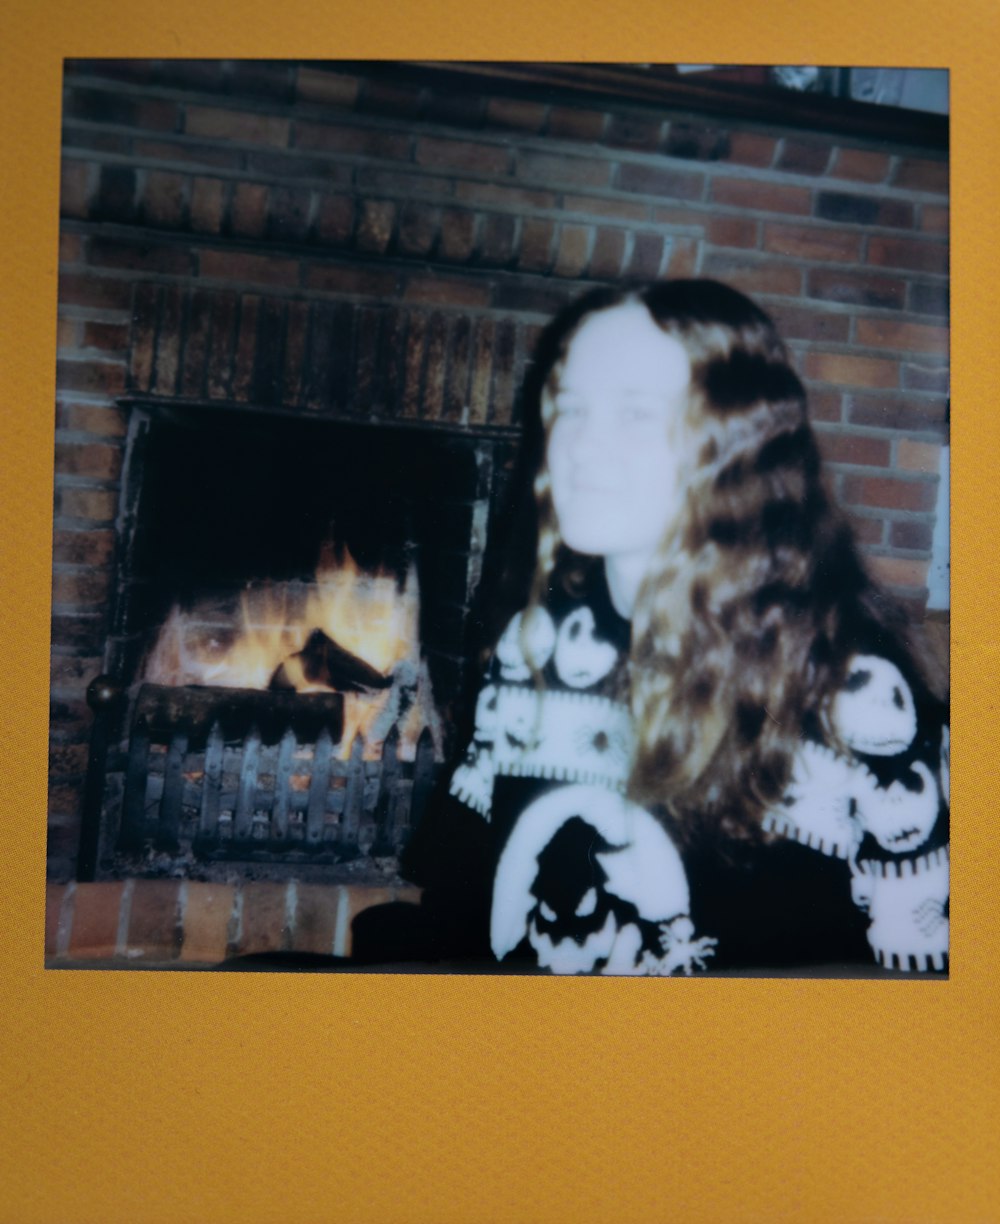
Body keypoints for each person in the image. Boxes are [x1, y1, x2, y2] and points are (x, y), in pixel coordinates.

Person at [360, 279, 949, 975]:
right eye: (571, 409)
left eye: (635, 413)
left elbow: (928, 989)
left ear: (737, 444)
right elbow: (462, 905)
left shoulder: (863, 698)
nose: (578, 446)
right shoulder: (534, 649)